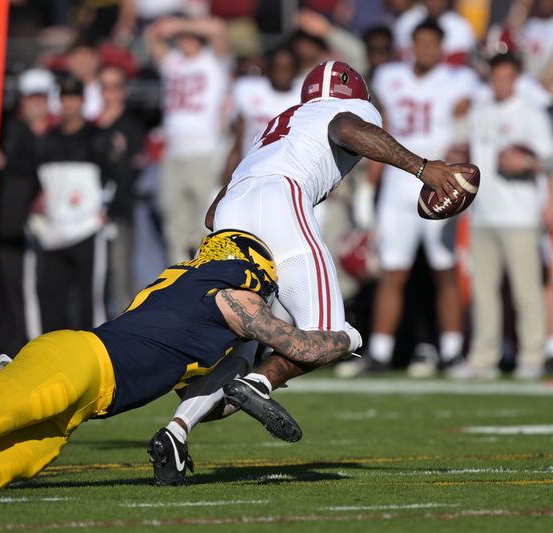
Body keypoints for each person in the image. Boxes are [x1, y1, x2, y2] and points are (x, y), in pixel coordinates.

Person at [0, 229, 361, 492]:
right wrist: (349, 337)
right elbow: (304, 348)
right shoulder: (233, 296)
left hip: (85, 402)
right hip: (82, 364)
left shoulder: (190, 290)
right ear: (252, 269)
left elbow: (207, 399)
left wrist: (223, 391)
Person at [147, 59, 473, 484]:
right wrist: (421, 167)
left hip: (231, 212)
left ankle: (177, 430)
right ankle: (259, 385)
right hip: (282, 197)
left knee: (245, 337)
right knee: (332, 332)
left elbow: (212, 213)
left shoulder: (281, 122)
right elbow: (346, 129)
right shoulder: (347, 111)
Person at [336, 18, 479, 378]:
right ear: (410, 45)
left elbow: (462, 123)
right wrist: (369, 188)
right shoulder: (388, 77)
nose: (426, 50)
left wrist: (456, 166)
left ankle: (451, 352)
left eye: (432, 43)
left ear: (442, 47)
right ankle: (381, 352)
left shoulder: (458, 79)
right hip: (400, 181)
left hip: (441, 178)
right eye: (420, 42)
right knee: (392, 271)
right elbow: (379, 132)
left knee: (444, 269)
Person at [448, 53, 553, 381]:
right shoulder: (480, 112)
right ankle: (483, 357)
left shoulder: (531, 114)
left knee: (525, 291)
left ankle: (532, 355)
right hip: (483, 214)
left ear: (516, 77)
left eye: (507, 76)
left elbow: (548, 159)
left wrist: (526, 164)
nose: (501, 82)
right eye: (496, 76)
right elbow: (466, 151)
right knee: (483, 292)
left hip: (520, 215)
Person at [145, 15, 230, 263]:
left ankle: (203, 275)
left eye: (188, 36)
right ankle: (176, 277)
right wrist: (168, 26)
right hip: (174, 151)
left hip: (205, 149)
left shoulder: (213, 61)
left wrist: (180, 24)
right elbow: (151, 36)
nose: (183, 40)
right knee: (172, 219)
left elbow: (219, 28)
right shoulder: (173, 62)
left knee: (204, 221)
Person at [30, 76, 111, 332]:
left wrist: (106, 212)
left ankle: (93, 353)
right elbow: (39, 183)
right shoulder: (49, 139)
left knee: (90, 298)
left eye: (74, 98)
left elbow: (114, 178)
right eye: (65, 98)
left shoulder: (97, 137)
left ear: (83, 101)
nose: (69, 104)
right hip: (55, 231)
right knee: (51, 296)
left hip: (87, 228)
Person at [0, 68, 52, 356]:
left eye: (40, 96)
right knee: (12, 291)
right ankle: (12, 350)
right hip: (10, 225)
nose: (35, 103)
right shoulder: (9, 129)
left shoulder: (56, 133)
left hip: (47, 226)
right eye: (30, 97)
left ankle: (33, 350)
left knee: (34, 292)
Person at [94, 64, 146, 314]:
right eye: (104, 88)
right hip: (88, 216)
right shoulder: (92, 127)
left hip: (119, 213)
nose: (109, 95)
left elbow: (131, 174)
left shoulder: (131, 128)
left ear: (123, 91)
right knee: (93, 283)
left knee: (120, 279)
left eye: (114, 88)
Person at [222, 44, 300, 182]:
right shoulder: (248, 90)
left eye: (288, 68)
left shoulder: (303, 97)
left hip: (289, 176)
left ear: (296, 70)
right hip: (250, 171)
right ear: (269, 68)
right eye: (278, 67)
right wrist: (227, 174)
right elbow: (238, 138)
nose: (282, 72)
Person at [393, 0, 476, 65]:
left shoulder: (460, 26)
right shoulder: (407, 22)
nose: (434, 2)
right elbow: (399, 58)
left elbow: (459, 65)